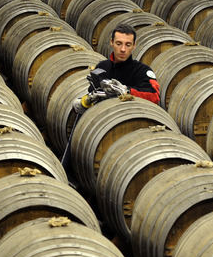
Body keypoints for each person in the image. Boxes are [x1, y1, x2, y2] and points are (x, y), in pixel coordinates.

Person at [61, 24, 161, 183]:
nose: (123, 49)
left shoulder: (142, 71)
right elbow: (91, 93)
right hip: (103, 129)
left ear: (134, 46)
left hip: (133, 128)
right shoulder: (103, 67)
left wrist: (126, 91)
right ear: (111, 43)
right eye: (119, 43)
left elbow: (154, 96)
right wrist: (84, 101)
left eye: (128, 45)